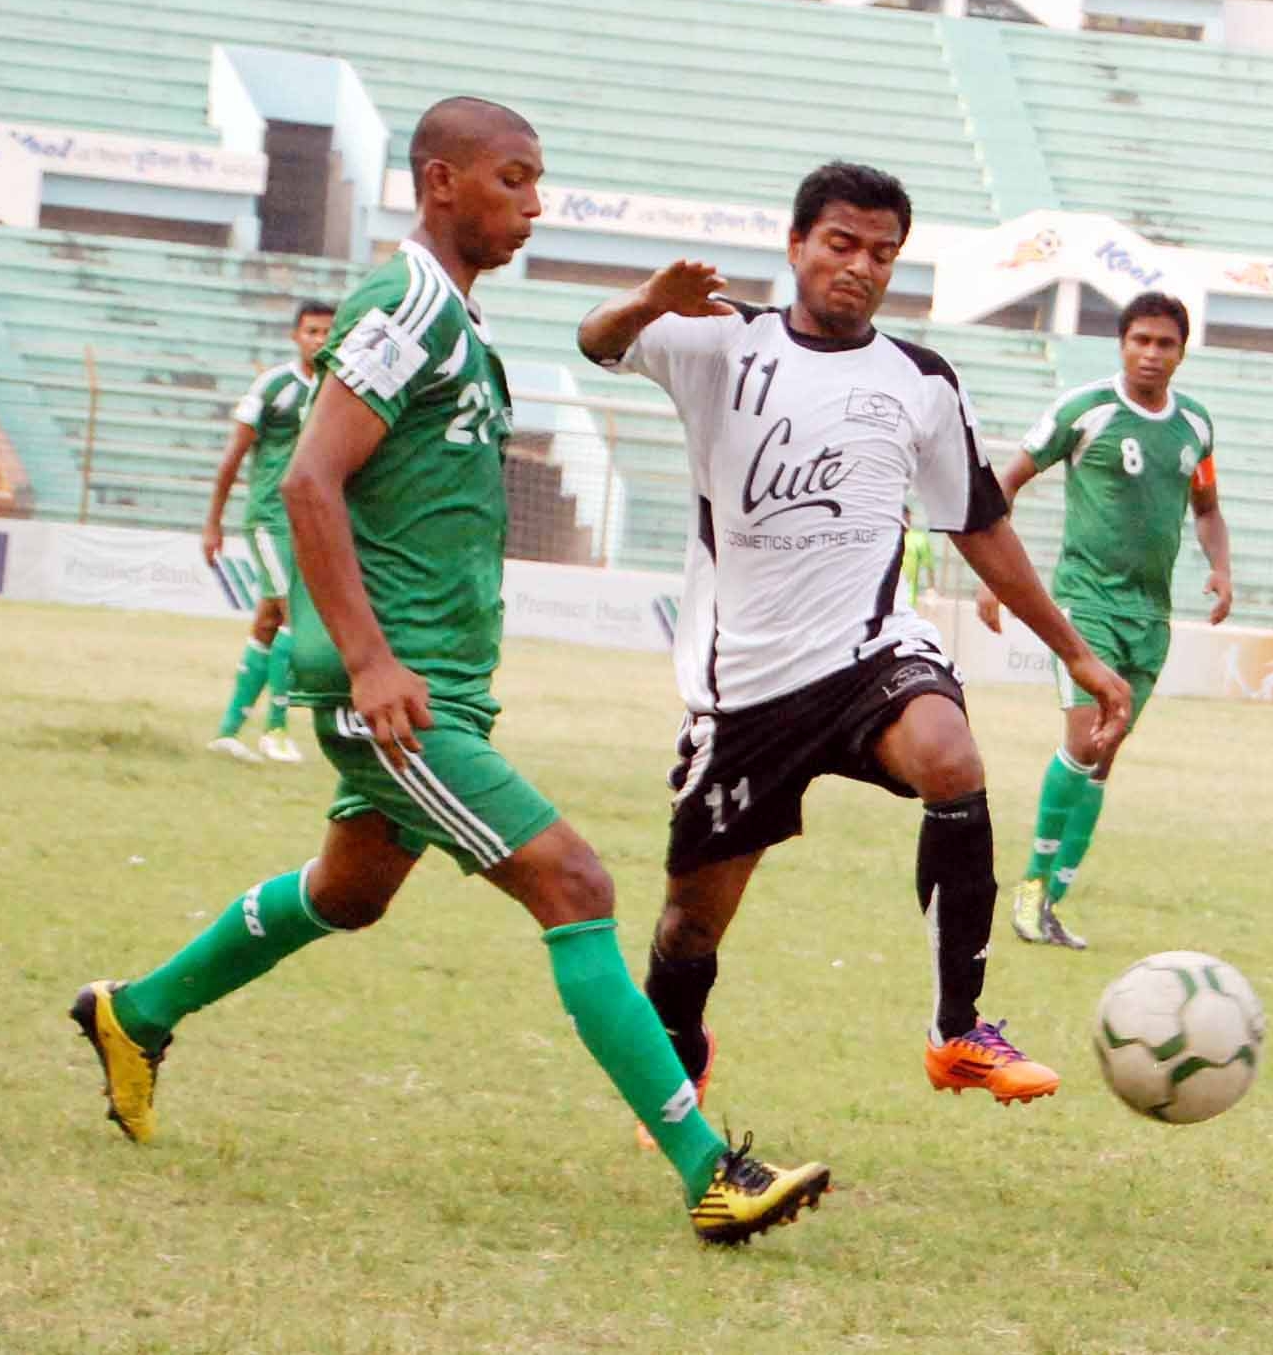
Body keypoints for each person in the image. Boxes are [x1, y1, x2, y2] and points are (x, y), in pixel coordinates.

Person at [71, 97, 831, 1246]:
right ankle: (705, 1168)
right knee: (575, 883)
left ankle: (135, 1012)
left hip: (435, 684)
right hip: (393, 691)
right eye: (513, 179)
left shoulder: (456, 319)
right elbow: (308, 481)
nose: (534, 203)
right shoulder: (408, 302)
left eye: (538, 182)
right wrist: (372, 660)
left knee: (349, 892)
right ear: (440, 182)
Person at [576, 162, 1130, 1145]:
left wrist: (1077, 655)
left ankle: (956, 1030)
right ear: (795, 246)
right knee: (687, 927)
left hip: (871, 655)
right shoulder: (715, 339)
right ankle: (678, 1045)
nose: (860, 267)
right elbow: (595, 340)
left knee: (952, 760)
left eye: (881, 253)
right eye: (840, 244)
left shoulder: (916, 382)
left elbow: (979, 523)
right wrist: (643, 302)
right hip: (742, 689)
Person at [978, 291, 1232, 951]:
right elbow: (1005, 483)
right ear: (1121, 344)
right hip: (1085, 605)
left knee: (1106, 754)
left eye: (1165, 343)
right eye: (1140, 340)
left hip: (1152, 615)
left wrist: (1221, 567)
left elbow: (1205, 506)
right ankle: (1031, 886)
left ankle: (1053, 900)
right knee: (1086, 740)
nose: (1151, 353)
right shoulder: (1084, 409)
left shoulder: (1196, 427)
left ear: (1182, 352)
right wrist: (993, 576)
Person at [203, 300, 336, 765]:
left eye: (327, 332)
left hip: (309, 522)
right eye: (312, 331)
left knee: (267, 622)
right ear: (295, 336)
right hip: (270, 519)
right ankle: (275, 731)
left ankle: (227, 732)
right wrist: (213, 521)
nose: (319, 340)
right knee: (295, 620)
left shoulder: (334, 391)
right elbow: (233, 457)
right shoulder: (275, 386)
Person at [901, 503, 936, 607]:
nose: (906, 519)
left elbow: (929, 565)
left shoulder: (918, 539)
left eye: (907, 516)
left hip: (908, 595)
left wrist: (931, 589)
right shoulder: (887, 538)